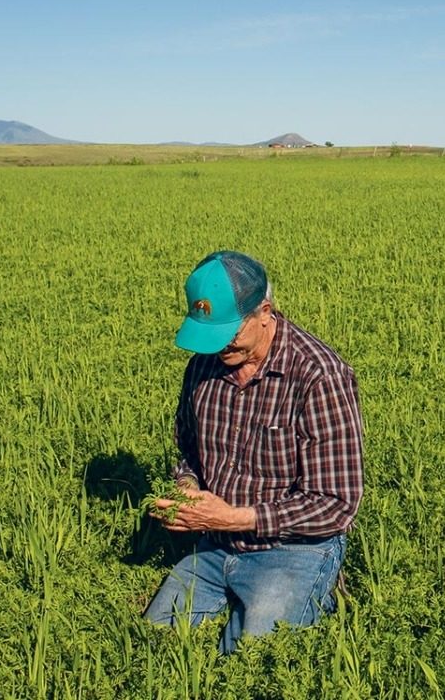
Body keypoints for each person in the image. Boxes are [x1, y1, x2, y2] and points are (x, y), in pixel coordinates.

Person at [143, 251, 363, 653]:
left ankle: (322, 590)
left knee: (251, 658)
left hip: (293, 549)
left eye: (229, 331)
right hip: (217, 545)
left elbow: (337, 503)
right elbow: (189, 452)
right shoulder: (203, 367)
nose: (219, 347)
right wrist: (188, 490)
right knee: (153, 643)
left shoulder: (319, 376)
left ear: (264, 311)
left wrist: (234, 517)